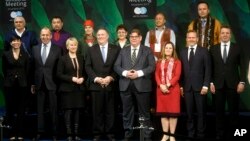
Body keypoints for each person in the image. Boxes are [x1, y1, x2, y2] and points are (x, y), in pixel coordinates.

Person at [114, 29, 155, 141]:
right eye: (131, 36)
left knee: (144, 112)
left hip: (142, 85)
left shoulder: (147, 50)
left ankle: (147, 136)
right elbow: (116, 66)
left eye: (136, 36)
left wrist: (139, 73)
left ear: (140, 38)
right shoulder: (124, 50)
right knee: (127, 112)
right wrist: (125, 73)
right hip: (125, 85)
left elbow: (152, 66)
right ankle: (128, 134)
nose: (133, 38)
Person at [210, 26, 246, 140]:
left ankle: (234, 135)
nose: (225, 35)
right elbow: (210, 68)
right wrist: (211, 83)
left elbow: (244, 67)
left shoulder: (237, 48)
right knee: (219, 112)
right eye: (223, 33)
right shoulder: (213, 48)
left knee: (234, 112)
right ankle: (219, 135)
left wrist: (242, 82)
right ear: (219, 35)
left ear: (230, 35)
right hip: (217, 85)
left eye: (227, 33)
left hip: (233, 85)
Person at [85, 28, 120, 141]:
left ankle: (110, 134)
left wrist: (110, 77)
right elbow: (88, 66)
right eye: (98, 35)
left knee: (110, 112)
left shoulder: (116, 49)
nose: (100, 36)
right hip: (96, 85)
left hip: (111, 85)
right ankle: (97, 134)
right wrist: (96, 78)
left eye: (102, 34)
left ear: (108, 35)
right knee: (97, 112)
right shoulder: (91, 49)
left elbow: (118, 66)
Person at [31, 27, 62, 141]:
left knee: (54, 109)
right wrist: (33, 84)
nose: (44, 37)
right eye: (42, 35)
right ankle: (40, 132)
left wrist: (59, 84)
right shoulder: (34, 49)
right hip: (39, 84)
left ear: (51, 36)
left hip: (53, 84)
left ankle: (55, 133)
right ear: (40, 36)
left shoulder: (58, 49)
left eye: (47, 35)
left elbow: (59, 69)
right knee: (39, 110)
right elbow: (32, 68)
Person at [179, 30, 211, 139]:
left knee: (201, 113)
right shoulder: (182, 51)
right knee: (189, 113)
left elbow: (208, 69)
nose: (191, 39)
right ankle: (191, 135)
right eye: (189, 37)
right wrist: (181, 86)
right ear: (186, 39)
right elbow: (181, 71)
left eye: (193, 37)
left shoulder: (204, 51)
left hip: (200, 87)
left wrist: (206, 85)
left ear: (197, 39)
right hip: (187, 88)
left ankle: (201, 135)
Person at [57, 37, 86, 141]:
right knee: (68, 112)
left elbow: (85, 73)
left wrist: (83, 78)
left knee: (77, 111)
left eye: (75, 45)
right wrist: (72, 78)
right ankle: (69, 135)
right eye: (71, 45)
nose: (73, 46)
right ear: (67, 46)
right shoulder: (62, 58)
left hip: (79, 89)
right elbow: (59, 74)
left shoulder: (81, 57)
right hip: (67, 90)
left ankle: (76, 134)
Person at [2, 35, 30, 141]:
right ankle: (12, 133)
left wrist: (22, 79)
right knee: (10, 109)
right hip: (9, 85)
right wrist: (11, 78)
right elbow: (4, 70)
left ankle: (20, 132)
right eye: (13, 41)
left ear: (20, 42)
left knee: (21, 110)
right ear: (10, 43)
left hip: (22, 85)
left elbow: (27, 70)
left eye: (18, 40)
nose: (16, 42)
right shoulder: (5, 54)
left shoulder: (25, 55)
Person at [155, 42, 181, 141]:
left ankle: (172, 135)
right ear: (164, 49)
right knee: (164, 113)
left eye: (170, 48)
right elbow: (156, 75)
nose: (168, 49)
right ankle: (165, 134)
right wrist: (160, 85)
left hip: (173, 90)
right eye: (167, 48)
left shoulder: (177, 62)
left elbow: (177, 76)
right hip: (161, 90)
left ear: (173, 50)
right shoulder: (159, 61)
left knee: (173, 114)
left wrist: (167, 85)